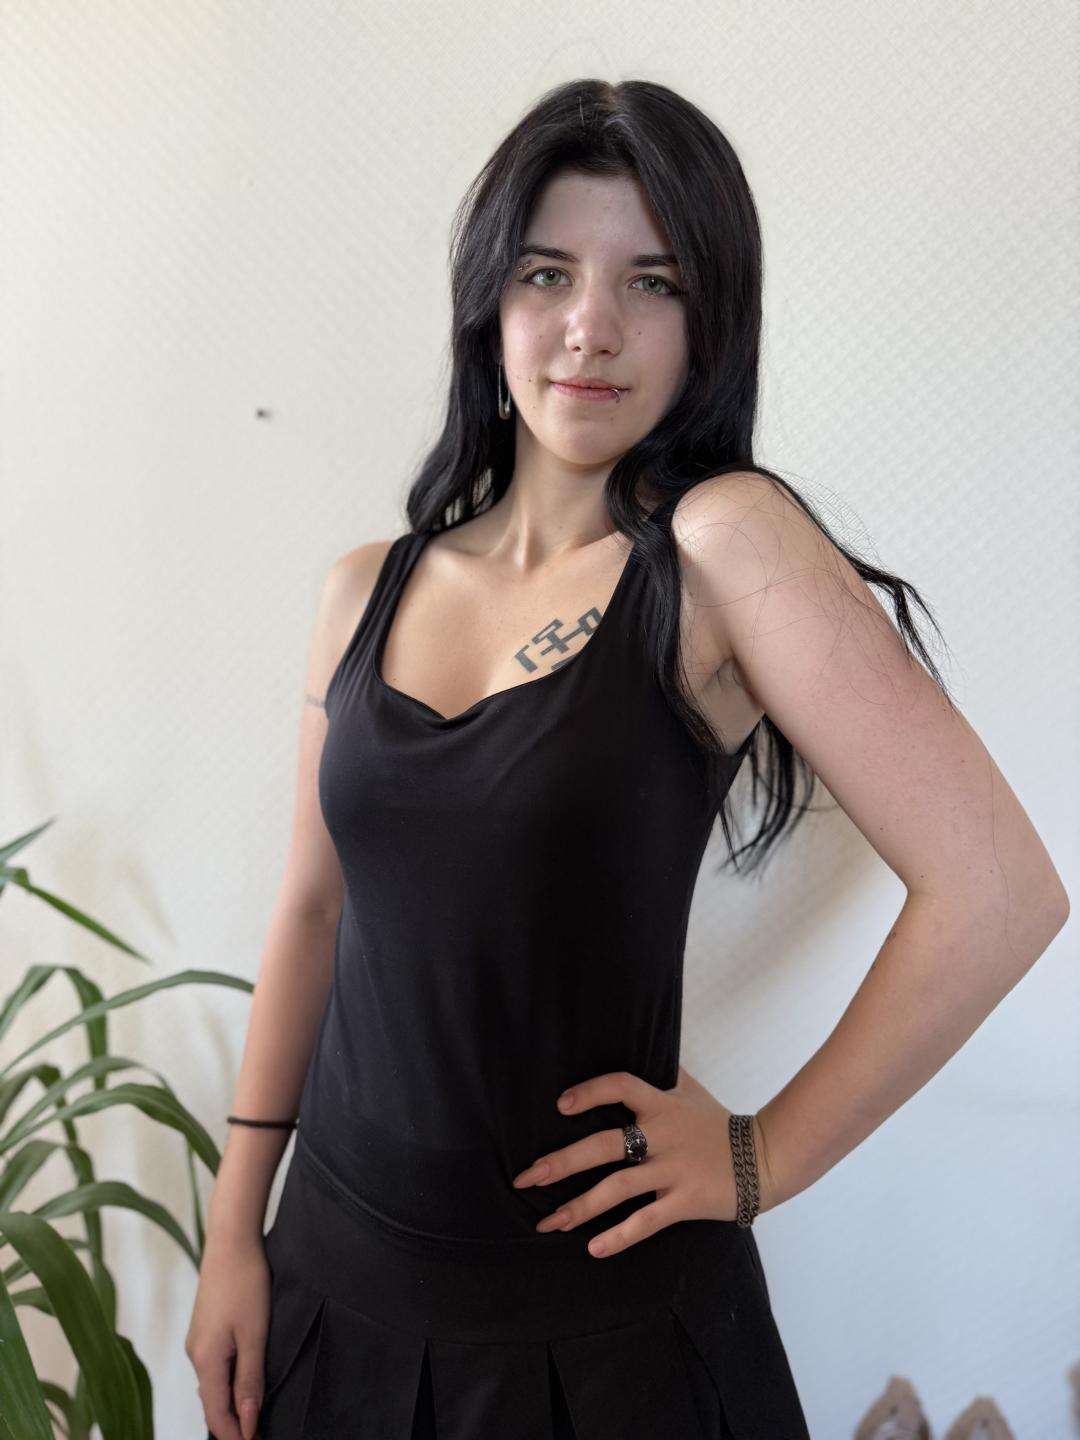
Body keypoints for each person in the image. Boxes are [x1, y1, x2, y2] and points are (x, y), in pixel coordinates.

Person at [185, 78, 1070, 1440]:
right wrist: (233, 1231)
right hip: (332, 1284)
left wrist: (761, 1157)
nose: (591, 327)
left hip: (597, 1338)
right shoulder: (364, 587)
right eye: (548, 273)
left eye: (653, 283)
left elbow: (1001, 892)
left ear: (711, 322)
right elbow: (312, 910)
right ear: (489, 302)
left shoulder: (721, 549)